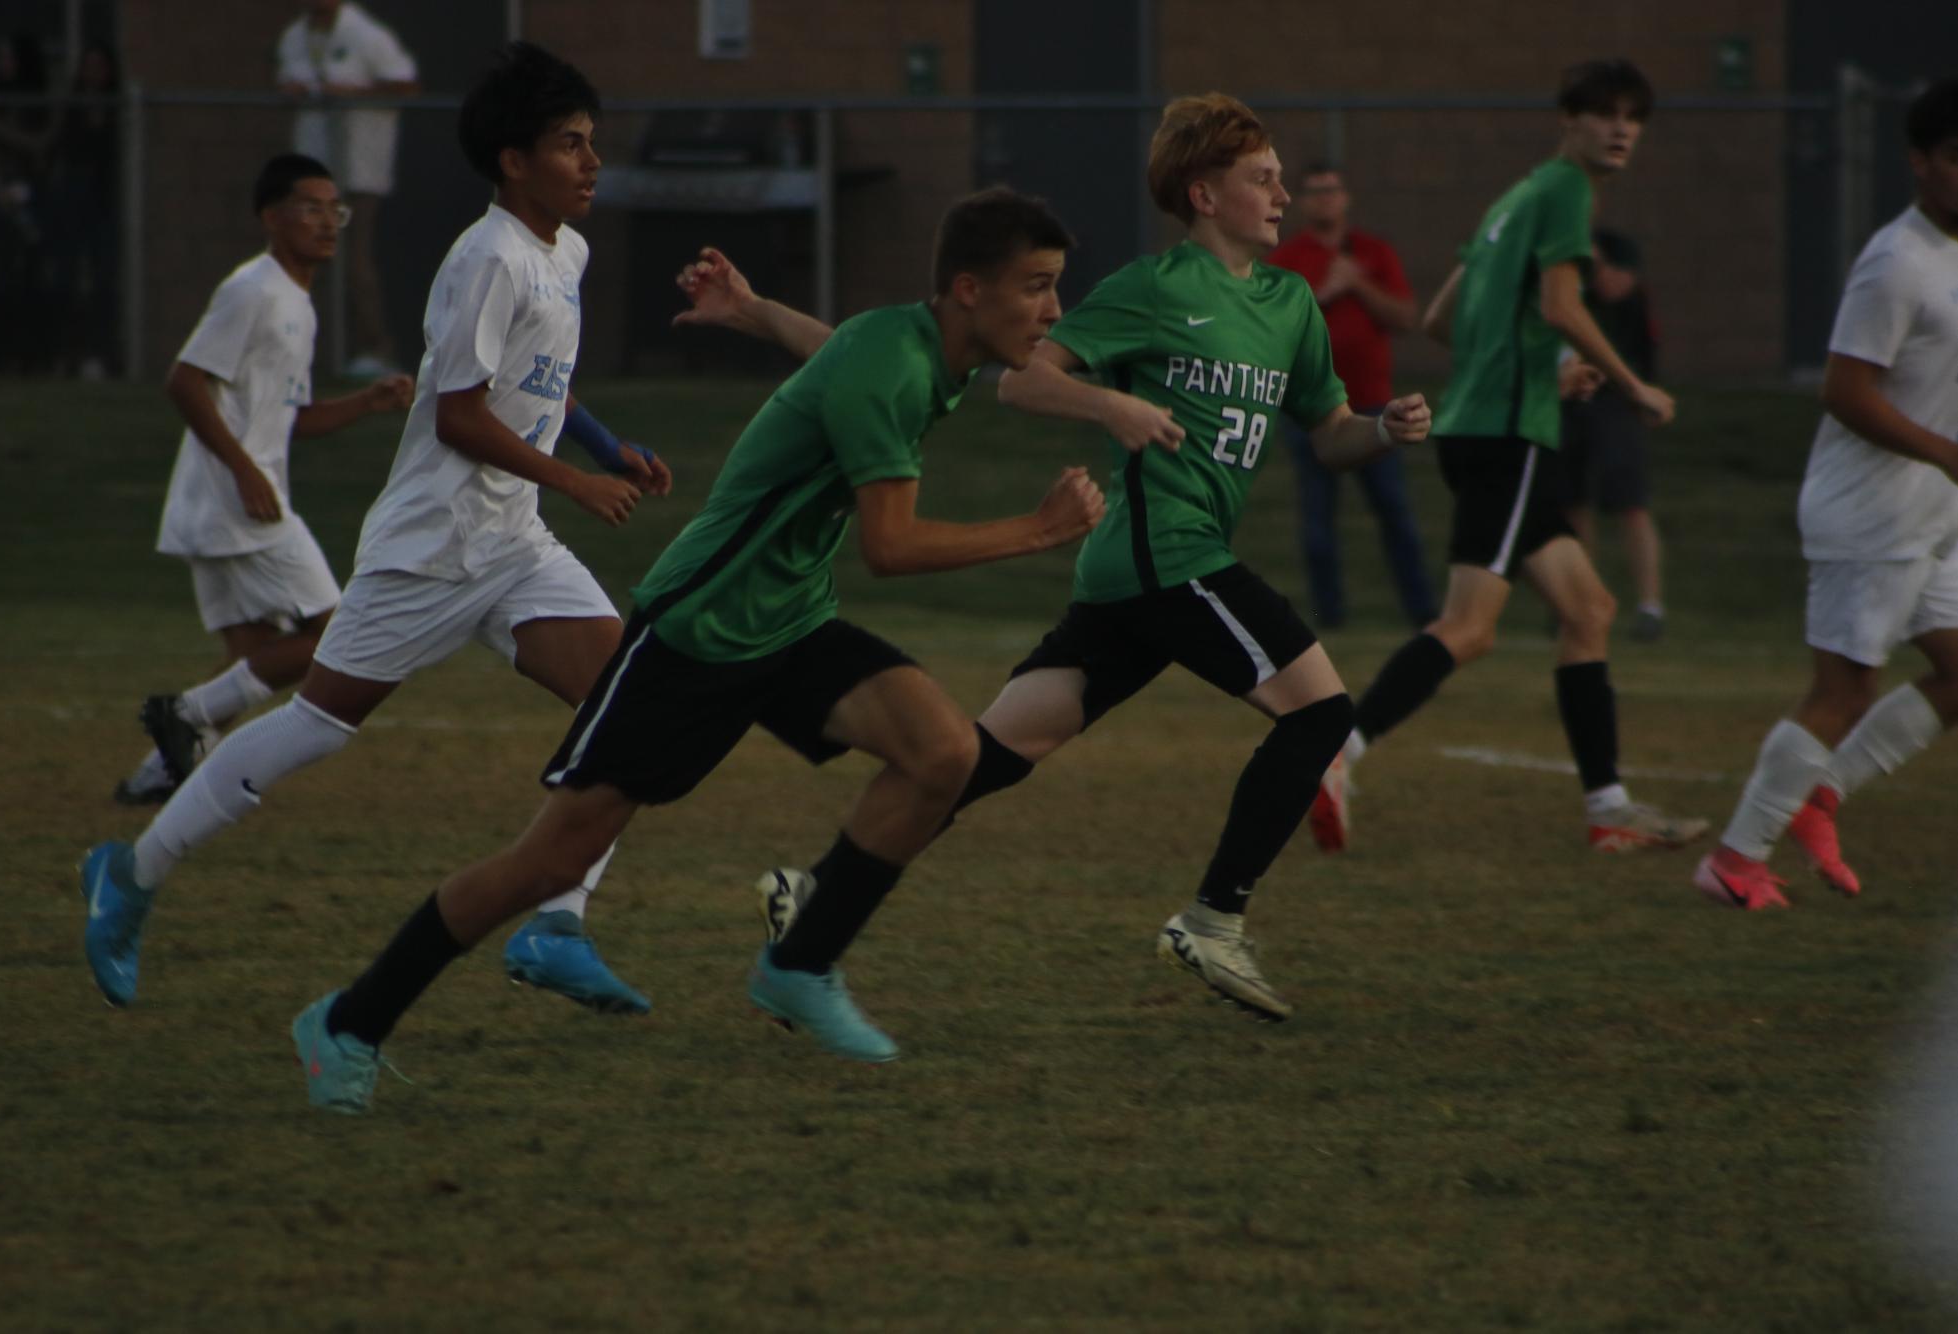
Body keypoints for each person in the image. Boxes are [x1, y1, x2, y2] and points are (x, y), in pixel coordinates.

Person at [288, 184, 1104, 1111]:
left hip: (788, 619)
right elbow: (891, 545)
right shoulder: (896, 366)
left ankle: (799, 965)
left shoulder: (919, 348)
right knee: (548, 865)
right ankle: (350, 1020)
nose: (1052, 310)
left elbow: (832, 358)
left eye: (1055, 287)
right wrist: (1036, 532)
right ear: (967, 289)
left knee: (944, 752)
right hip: (698, 630)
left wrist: (755, 313)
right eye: (1036, 287)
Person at [706, 94, 1432, 1022]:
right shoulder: (1157, 286)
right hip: (1164, 555)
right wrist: (1112, 408)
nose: (1284, 192)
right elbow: (1022, 378)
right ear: (1203, 194)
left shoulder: (1289, 302)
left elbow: (1327, 432)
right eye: (1263, 178)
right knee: (1321, 711)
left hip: (1133, 577)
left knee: (995, 751)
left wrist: (1379, 428)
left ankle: (816, 892)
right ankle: (1214, 919)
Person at [80, 43, 671, 1019]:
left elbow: (540, 387)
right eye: (570, 144)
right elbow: (457, 414)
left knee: (634, 715)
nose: (591, 161)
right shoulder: (485, 257)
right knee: (315, 725)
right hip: (433, 547)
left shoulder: (565, 250)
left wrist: (607, 446)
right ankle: (130, 873)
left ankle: (556, 924)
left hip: (511, 541)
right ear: (513, 160)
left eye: (592, 142)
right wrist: (571, 478)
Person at [1313, 59, 1705, 857]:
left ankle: (1607, 809)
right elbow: (1561, 305)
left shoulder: (1512, 199)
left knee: (1587, 609)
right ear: (1568, 120)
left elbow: (1438, 317)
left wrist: (1545, 365)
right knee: (1467, 627)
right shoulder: (1565, 193)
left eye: (1633, 115)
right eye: (1603, 113)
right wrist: (1633, 385)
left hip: (1479, 427)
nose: (1621, 128)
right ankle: (1334, 753)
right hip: (1505, 436)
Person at [1693, 80, 1958, 911]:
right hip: (1868, 513)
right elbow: (1845, 391)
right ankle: (1733, 860)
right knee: (1842, 693)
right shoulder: (1896, 260)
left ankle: (1823, 791)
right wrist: (1945, 452)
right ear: (1918, 162)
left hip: (1928, 513)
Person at [110, 153, 412, 813]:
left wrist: (366, 402)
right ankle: (186, 713)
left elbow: (289, 418)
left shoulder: (297, 304)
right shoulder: (252, 289)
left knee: (251, 656)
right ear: (270, 218)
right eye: (311, 207)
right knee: (337, 633)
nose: (328, 221)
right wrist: (245, 468)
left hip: (224, 498)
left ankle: (153, 777)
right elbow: (184, 382)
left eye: (337, 208)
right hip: (236, 499)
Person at [1264, 160, 1438, 629]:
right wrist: (1326, 291)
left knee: (1395, 515)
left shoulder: (1373, 253)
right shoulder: (1287, 258)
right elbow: (1273, 330)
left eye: (1332, 190)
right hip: (1311, 409)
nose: (1325, 198)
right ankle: (1328, 617)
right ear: (1301, 201)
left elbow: (1404, 318)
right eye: (1315, 191)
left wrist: (1357, 281)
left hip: (1373, 404)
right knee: (1318, 525)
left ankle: (1424, 615)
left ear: (1346, 198)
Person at [276, 0, 419, 377]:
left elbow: (405, 84)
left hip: (357, 169)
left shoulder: (367, 35)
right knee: (303, 259)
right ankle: (304, 354)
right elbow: (288, 81)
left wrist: (354, 93)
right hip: (313, 168)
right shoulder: (294, 37)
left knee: (355, 261)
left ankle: (376, 350)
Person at [1561, 227, 1665, 642]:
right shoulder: (1570, 293)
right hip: (1569, 402)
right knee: (1572, 503)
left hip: (1616, 405)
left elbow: (1645, 354)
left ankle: (1650, 603)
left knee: (1629, 503)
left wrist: (1641, 396)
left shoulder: (1633, 300)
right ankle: (1580, 599)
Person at [48, 42, 123, 379]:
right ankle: (63, 354)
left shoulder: (118, 110)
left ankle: (99, 355)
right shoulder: (72, 108)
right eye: (88, 65)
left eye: (100, 65)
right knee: (66, 277)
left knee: (102, 280)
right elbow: (57, 148)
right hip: (72, 200)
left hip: (102, 202)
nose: (93, 73)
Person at [0, 33, 51, 374]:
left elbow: (40, 145)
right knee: (1, 276)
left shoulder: (38, 101)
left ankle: (32, 355)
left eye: (10, 57)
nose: (4, 65)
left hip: (32, 192)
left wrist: (1, 130)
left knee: (31, 276)